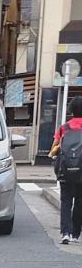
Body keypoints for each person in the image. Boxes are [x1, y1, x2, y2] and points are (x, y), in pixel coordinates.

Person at [50, 96, 82, 243]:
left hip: (67, 170)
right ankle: (76, 234)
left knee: (66, 201)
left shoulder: (64, 127)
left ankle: (65, 233)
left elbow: (55, 148)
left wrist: (52, 155)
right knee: (80, 202)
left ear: (71, 110)